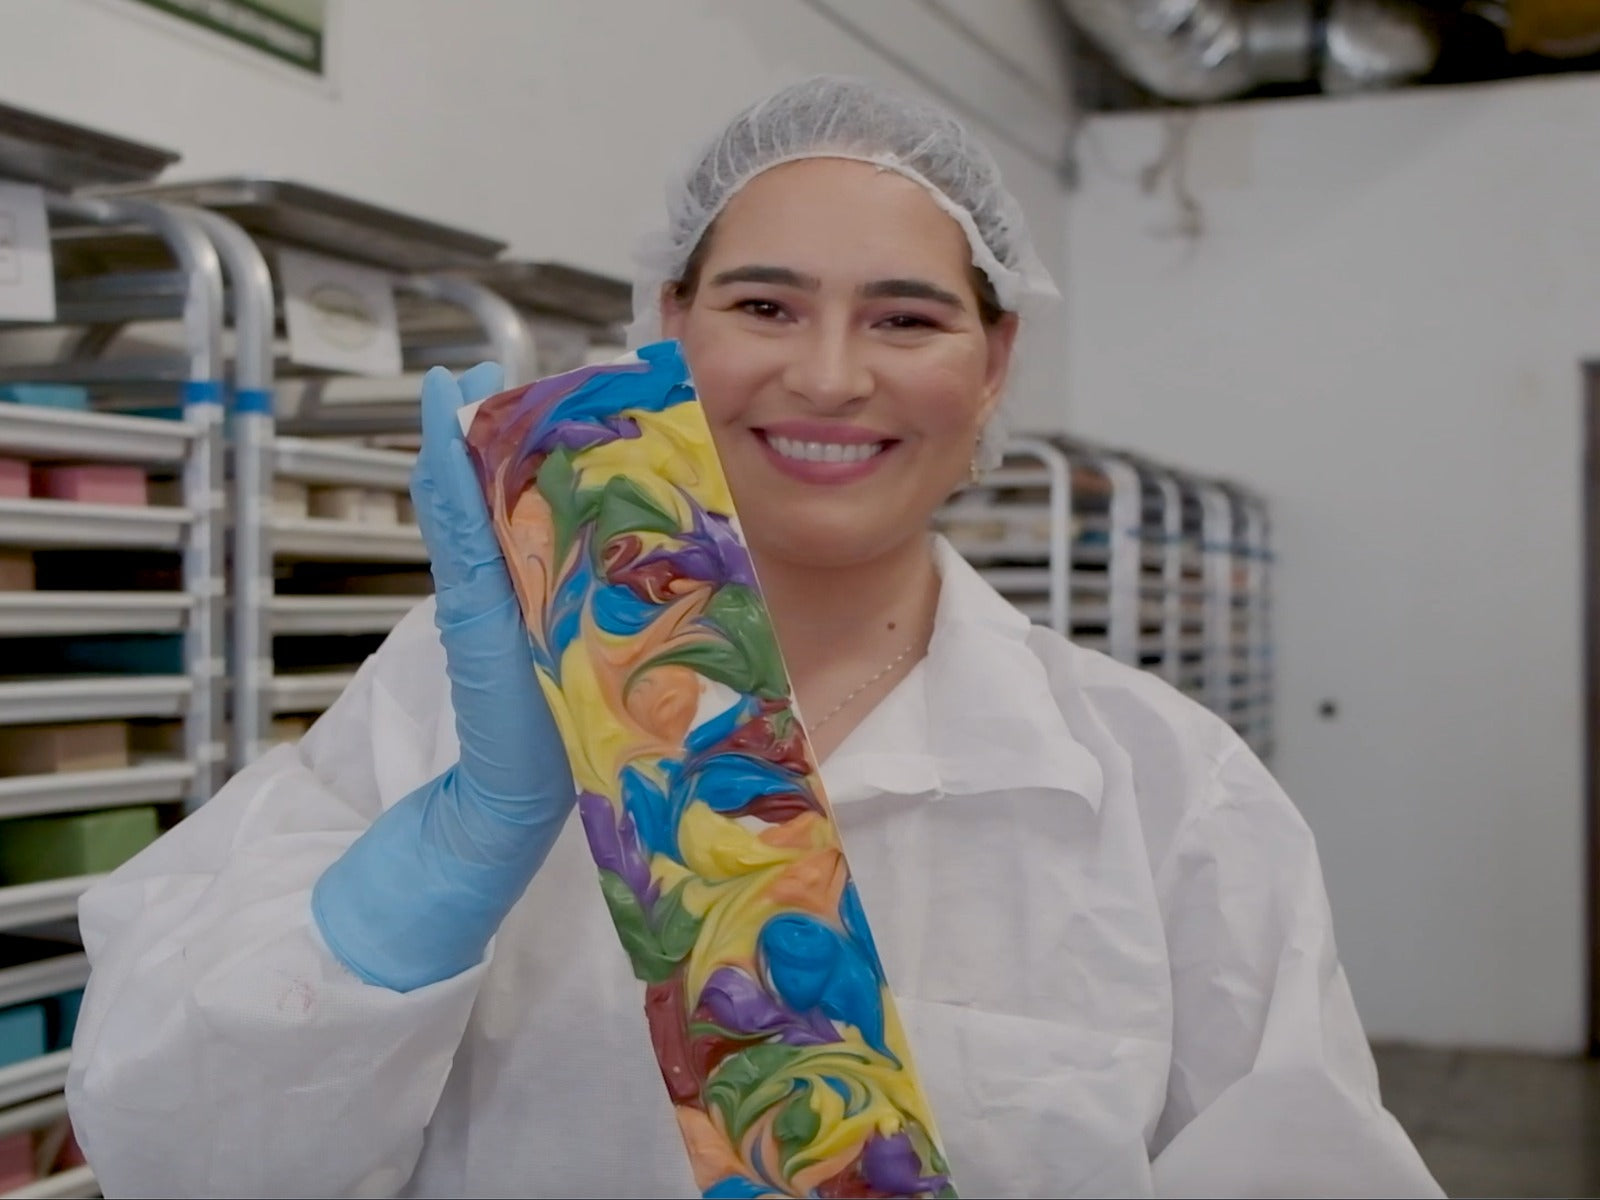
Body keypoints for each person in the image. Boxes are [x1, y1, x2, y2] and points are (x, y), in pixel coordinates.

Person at [65, 76, 1441, 1199]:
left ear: (994, 363)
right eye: (765, 306)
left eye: (906, 317)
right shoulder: (444, 703)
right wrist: (438, 868)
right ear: (670, 328)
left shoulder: (1169, 794)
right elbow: (176, 1154)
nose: (829, 374)